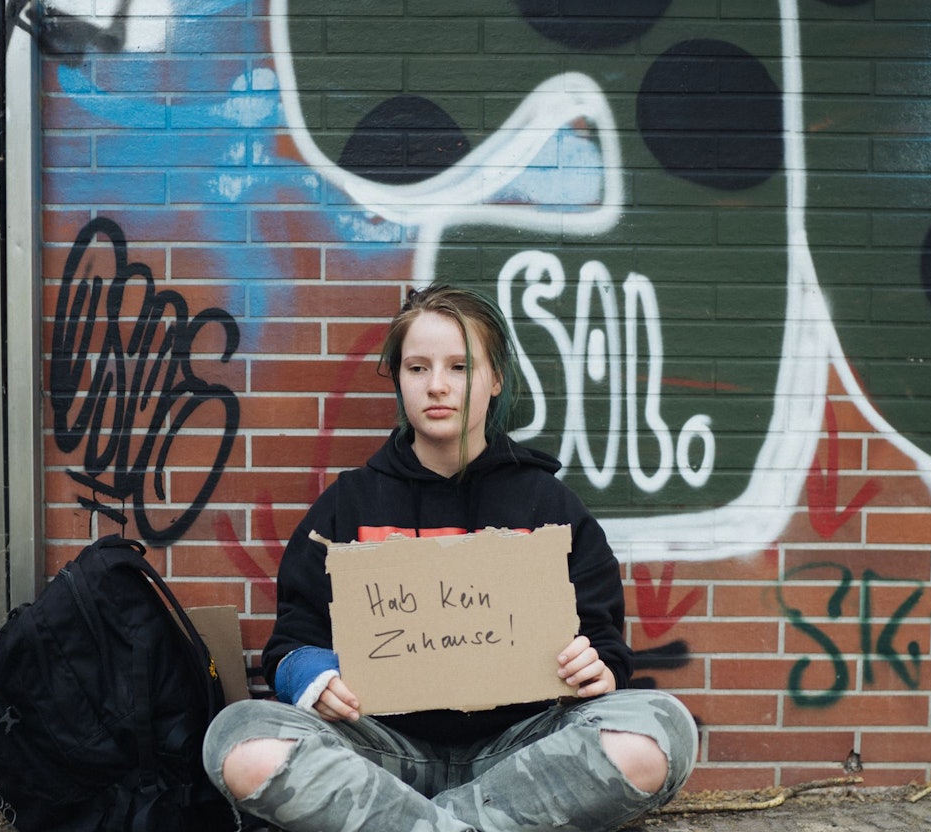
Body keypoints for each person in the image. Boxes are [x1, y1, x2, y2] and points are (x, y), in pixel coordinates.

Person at [202, 284, 697, 832]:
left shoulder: (548, 504)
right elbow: (291, 644)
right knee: (237, 738)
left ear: (495, 379)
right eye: (417, 368)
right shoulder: (349, 504)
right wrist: (313, 677)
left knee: (660, 731)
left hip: (522, 756)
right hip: (376, 753)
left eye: (460, 367)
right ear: (398, 379)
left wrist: (598, 667)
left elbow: (605, 645)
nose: (437, 385)